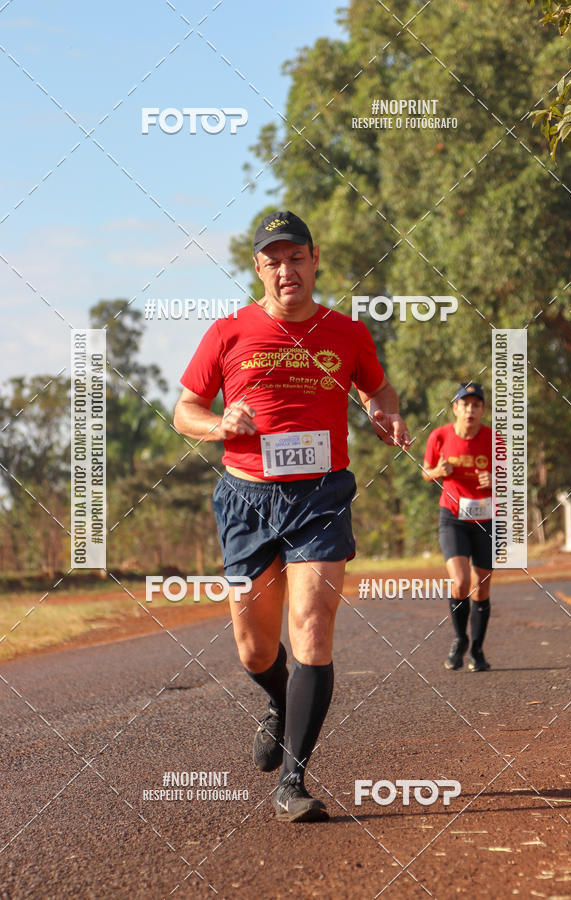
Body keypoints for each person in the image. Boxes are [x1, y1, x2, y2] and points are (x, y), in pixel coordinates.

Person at [174, 210, 411, 822]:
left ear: (314, 259)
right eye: (273, 260)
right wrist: (218, 423)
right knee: (254, 649)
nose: (287, 270)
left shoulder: (348, 333)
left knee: (311, 626)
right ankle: (280, 704)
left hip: (321, 497)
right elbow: (185, 410)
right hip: (247, 498)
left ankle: (294, 783)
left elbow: (376, 389)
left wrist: (385, 411)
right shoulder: (228, 333)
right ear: (258, 268)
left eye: (296, 257)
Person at [422, 383, 493, 673]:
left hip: (486, 519)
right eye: (465, 404)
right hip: (452, 517)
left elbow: (511, 480)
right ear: (455, 408)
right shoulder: (439, 436)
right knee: (461, 581)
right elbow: (426, 472)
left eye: (476, 405)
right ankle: (460, 639)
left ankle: (477, 650)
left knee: (482, 587)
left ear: (482, 410)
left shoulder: (494, 440)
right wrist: (439, 471)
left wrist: (496, 479)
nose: (470, 410)